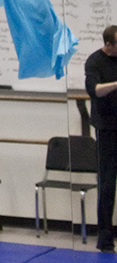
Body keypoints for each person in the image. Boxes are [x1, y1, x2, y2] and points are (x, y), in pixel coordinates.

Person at [86, 26, 117, 252]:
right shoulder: (94, 61)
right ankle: (105, 240)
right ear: (108, 45)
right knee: (107, 185)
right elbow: (94, 90)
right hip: (107, 130)